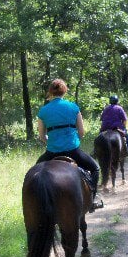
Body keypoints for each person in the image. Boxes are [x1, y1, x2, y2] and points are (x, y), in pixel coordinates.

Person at [37, 79, 102, 211]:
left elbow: (42, 136)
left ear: (50, 91)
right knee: (95, 169)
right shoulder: (73, 107)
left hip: (52, 152)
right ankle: (91, 202)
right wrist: (72, 139)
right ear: (64, 90)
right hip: (73, 150)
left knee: (35, 174)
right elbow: (82, 132)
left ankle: (39, 207)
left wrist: (51, 140)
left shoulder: (43, 111)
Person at [100, 95, 128, 159]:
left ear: (110, 101)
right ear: (117, 101)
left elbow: (102, 119)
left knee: (99, 137)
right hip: (116, 128)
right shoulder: (119, 108)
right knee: (127, 137)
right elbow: (124, 120)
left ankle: (94, 151)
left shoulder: (106, 108)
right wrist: (124, 128)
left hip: (105, 128)